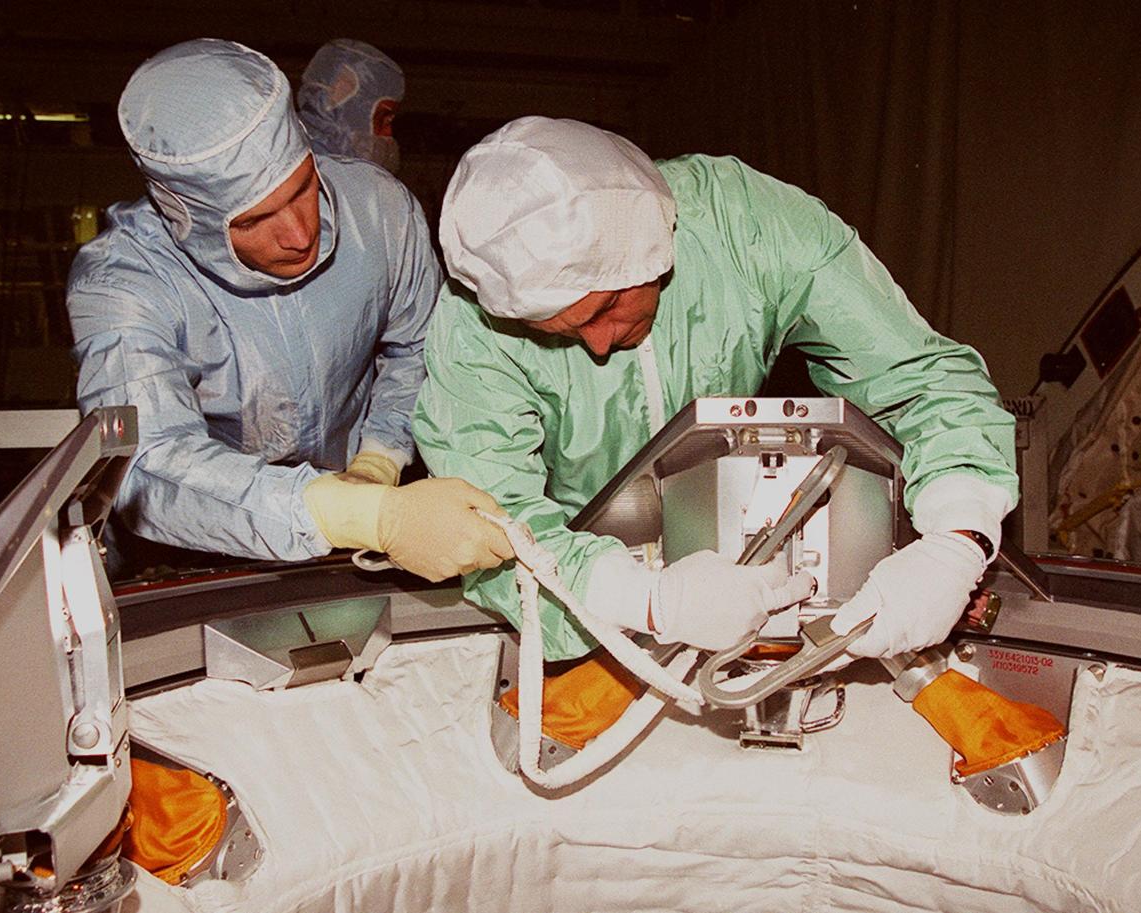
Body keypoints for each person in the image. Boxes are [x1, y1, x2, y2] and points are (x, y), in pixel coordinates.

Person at [413, 116, 1018, 660]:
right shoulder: (471, 326)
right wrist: (644, 601)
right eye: (558, 333)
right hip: (589, 589)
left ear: (650, 245)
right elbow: (490, 520)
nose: (598, 347)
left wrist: (956, 542)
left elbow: (920, 378)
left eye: (604, 310)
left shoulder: (746, 228)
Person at [67, 39, 513, 581]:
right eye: (254, 221)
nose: (301, 234)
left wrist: (379, 459)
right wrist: (361, 515)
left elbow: (417, 346)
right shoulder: (123, 282)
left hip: (349, 538)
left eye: (303, 187)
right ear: (183, 216)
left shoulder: (380, 210)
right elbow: (147, 462)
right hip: (186, 554)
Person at [297, 39, 404, 174]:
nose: (388, 133)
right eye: (383, 117)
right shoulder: (309, 167)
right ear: (341, 95)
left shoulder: (289, 144)